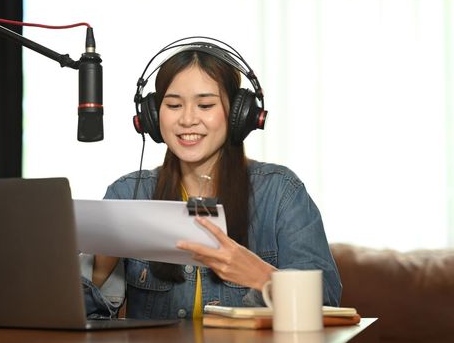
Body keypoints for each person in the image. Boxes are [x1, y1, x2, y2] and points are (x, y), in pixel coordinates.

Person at [79, 39, 341, 320]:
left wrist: (261, 276)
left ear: (241, 113)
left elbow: (327, 303)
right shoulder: (127, 194)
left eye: (205, 105)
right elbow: (69, 317)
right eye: (174, 105)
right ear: (152, 116)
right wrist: (99, 270)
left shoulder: (281, 193)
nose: (188, 119)